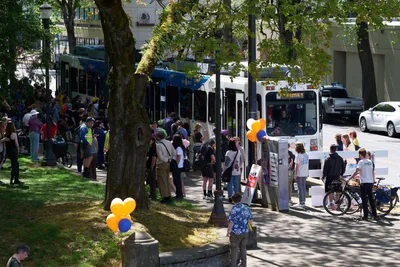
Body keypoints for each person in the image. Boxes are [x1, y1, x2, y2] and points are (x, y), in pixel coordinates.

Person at [349, 148, 378, 221]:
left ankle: (365, 216)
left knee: (364, 199)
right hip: (370, 182)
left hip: (364, 183)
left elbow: (356, 171)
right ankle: (375, 215)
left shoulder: (361, 162)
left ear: (360, 154)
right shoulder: (370, 162)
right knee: (371, 199)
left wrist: (350, 178)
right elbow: (371, 172)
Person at [226, 192, 253, 267]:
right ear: (241, 200)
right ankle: (243, 264)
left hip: (235, 233)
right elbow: (250, 221)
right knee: (243, 248)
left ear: (233, 201)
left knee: (234, 249)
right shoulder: (246, 208)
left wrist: (228, 232)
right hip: (245, 232)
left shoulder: (234, 209)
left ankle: (233, 265)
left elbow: (231, 222)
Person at [155, 130, 176, 204]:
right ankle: (168, 195)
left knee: (162, 180)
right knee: (167, 179)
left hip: (161, 164)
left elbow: (160, 157)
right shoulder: (169, 142)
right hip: (168, 163)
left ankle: (165, 196)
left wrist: (165, 159)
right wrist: (169, 159)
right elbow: (174, 152)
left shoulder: (158, 145)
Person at [323, 144, 346, 209]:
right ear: (336, 150)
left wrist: (324, 176)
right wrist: (341, 174)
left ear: (330, 150)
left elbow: (325, 170)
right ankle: (337, 203)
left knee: (329, 190)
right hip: (337, 176)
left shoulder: (328, 159)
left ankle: (331, 203)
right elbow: (343, 169)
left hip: (329, 177)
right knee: (338, 190)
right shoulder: (340, 158)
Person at [294, 142, 309, 208]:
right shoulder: (306, 155)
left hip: (300, 173)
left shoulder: (298, 156)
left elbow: (296, 166)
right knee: (303, 188)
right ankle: (303, 201)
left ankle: (301, 202)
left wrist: (295, 174)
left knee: (300, 188)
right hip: (305, 173)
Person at [172, 134, 185, 199]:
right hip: (178, 165)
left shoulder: (178, 148)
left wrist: (176, 164)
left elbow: (178, 157)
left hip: (178, 166)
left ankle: (179, 194)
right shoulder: (179, 147)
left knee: (177, 180)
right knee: (176, 180)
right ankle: (178, 193)